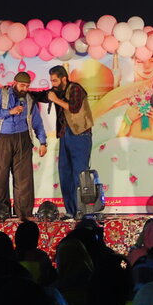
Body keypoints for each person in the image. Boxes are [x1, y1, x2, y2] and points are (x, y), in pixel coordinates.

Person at [0, 71, 47, 219]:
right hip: (2, 139)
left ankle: (23, 214)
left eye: (27, 86)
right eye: (22, 85)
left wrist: (43, 142)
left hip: (23, 139)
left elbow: (37, 122)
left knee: (23, 179)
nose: (24, 88)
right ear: (14, 83)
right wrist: (10, 111)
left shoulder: (29, 99)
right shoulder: (1, 93)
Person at [43, 65, 94, 219]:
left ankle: (82, 211)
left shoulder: (75, 89)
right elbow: (43, 96)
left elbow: (74, 107)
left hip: (80, 135)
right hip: (65, 135)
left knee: (79, 173)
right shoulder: (56, 92)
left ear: (64, 78)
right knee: (65, 173)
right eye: (51, 81)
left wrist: (56, 100)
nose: (53, 84)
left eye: (55, 80)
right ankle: (71, 210)